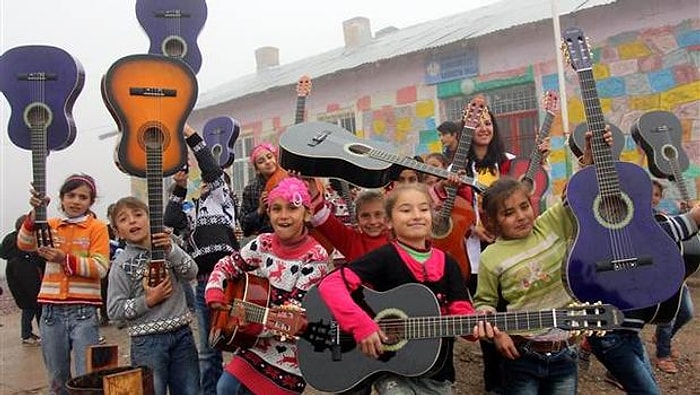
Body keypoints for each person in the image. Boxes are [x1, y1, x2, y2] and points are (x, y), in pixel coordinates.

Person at [317, 183, 476, 394]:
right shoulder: (384, 257)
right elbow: (331, 284)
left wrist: (478, 325)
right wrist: (361, 324)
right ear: (389, 222)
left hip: (438, 373)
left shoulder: (449, 263)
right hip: (393, 369)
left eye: (423, 209)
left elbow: (462, 316)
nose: (416, 215)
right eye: (406, 210)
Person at [205, 176, 330, 394]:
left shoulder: (316, 256)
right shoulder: (263, 243)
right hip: (254, 345)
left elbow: (293, 313)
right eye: (276, 209)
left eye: (292, 208)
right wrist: (216, 289)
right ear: (268, 213)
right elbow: (227, 264)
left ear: (307, 213)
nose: (283, 216)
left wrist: (249, 321)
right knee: (225, 387)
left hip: (288, 355)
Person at [162, 124, 240, 395]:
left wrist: (191, 137)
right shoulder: (190, 210)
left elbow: (212, 170)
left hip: (234, 282)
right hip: (203, 287)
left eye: (215, 182)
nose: (208, 183)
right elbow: (170, 221)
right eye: (205, 183)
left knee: (244, 343)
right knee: (209, 351)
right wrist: (180, 186)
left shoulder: (223, 202)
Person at [17, 173, 110, 394]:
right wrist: (34, 213)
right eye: (71, 195)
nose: (76, 201)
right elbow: (23, 244)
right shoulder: (51, 225)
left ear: (90, 201)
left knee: (86, 378)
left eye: (83, 197)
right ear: (61, 198)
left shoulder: (96, 228)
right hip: (50, 313)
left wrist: (64, 259)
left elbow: (101, 267)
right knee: (57, 379)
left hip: (84, 312)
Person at [107, 196, 200, 395]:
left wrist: (171, 249)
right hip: (147, 342)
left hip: (182, 334)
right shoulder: (121, 265)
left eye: (138, 215)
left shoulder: (168, 246)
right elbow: (114, 310)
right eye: (123, 219)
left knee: (190, 390)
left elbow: (191, 272)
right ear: (117, 232)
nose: (132, 221)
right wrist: (147, 301)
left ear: (151, 219)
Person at [652, 179, 695, 374]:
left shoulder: (662, 216)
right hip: (660, 278)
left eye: (657, 195)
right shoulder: (640, 218)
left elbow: (679, 229)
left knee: (686, 313)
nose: (653, 198)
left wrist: (686, 214)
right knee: (666, 318)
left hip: (678, 273)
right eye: (650, 193)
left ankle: (662, 339)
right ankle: (663, 354)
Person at [310, 188, 391, 263]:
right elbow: (321, 217)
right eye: (365, 216)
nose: (372, 221)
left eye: (378, 214)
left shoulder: (398, 239)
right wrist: (311, 186)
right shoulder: (351, 241)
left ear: (388, 216)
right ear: (357, 219)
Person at [0, 214, 44, 346]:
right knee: (31, 309)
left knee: (30, 309)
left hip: (26, 286)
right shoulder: (19, 253)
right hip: (28, 287)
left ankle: (30, 333)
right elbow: (26, 276)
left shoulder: (17, 249)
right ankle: (27, 335)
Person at [239, 142, 281, 237]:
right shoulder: (250, 190)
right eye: (261, 161)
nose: (267, 162)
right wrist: (260, 210)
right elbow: (245, 227)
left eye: (269, 157)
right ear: (257, 169)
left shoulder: (289, 180)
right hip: (265, 242)